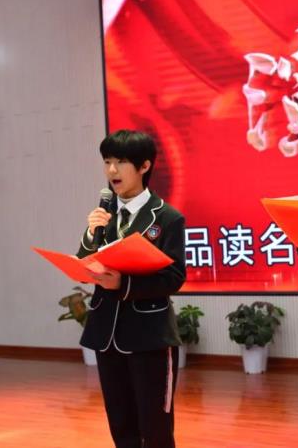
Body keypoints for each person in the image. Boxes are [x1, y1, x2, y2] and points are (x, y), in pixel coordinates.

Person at [77, 129, 186, 448]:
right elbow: (85, 263)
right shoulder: (104, 216)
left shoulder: (167, 217)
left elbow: (173, 277)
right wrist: (91, 232)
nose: (112, 170)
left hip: (149, 336)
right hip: (106, 335)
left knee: (155, 427)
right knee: (121, 424)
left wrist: (123, 284)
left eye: (121, 162)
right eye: (107, 161)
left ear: (144, 166)